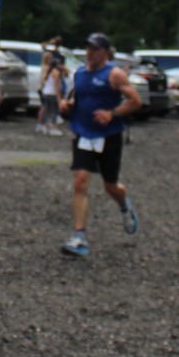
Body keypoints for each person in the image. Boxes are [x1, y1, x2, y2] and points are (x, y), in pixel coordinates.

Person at [58, 32, 141, 257]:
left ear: (105, 52)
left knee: (110, 186)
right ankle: (79, 237)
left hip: (109, 136)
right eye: (88, 48)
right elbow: (78, 99)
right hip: (84, 133)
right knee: (80, 181)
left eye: (94, 49)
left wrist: (112, 113)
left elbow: (135, 101)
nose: (90, 53)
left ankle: (124, 205)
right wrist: (68, 106)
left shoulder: (114, 74)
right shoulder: (80, 73)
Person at [36, 39, 65, 136]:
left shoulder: (48, 70)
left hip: (45, 91)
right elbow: (57, 86)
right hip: (51, 93)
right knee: (53, 111)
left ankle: (43, 126)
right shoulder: (54, 72)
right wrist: (59, 97)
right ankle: (52, 127)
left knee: (45, 109)